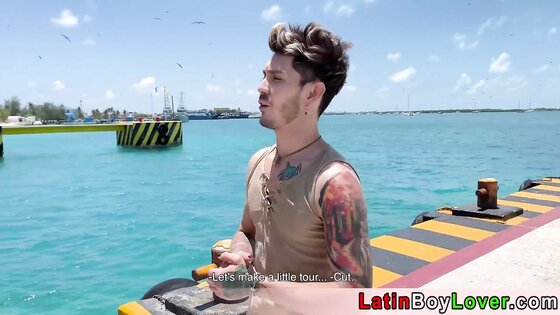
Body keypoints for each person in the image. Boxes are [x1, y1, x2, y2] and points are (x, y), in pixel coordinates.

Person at [208, 21, 372, 313]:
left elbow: (355, 291)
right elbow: (247, 230)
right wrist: (240, 256)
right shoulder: (258, 162)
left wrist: (253, 285)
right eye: (263, 76)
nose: (261, 88)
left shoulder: (335, 183)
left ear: (311, 94)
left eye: (276, 78)